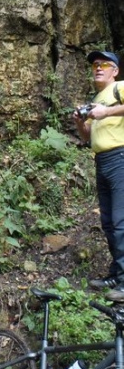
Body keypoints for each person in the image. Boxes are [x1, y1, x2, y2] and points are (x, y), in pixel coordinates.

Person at [73, 50, 124, 301]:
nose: (98, 68)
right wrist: (80, 122)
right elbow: (86, 137)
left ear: (115, 70)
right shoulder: (96, 99)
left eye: (104, 64)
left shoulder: (120, 88)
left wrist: (106, 112)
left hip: (120, 157)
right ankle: (117, 274)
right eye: (95, 65)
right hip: (102, 160)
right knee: (108, 222)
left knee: (120, 220)